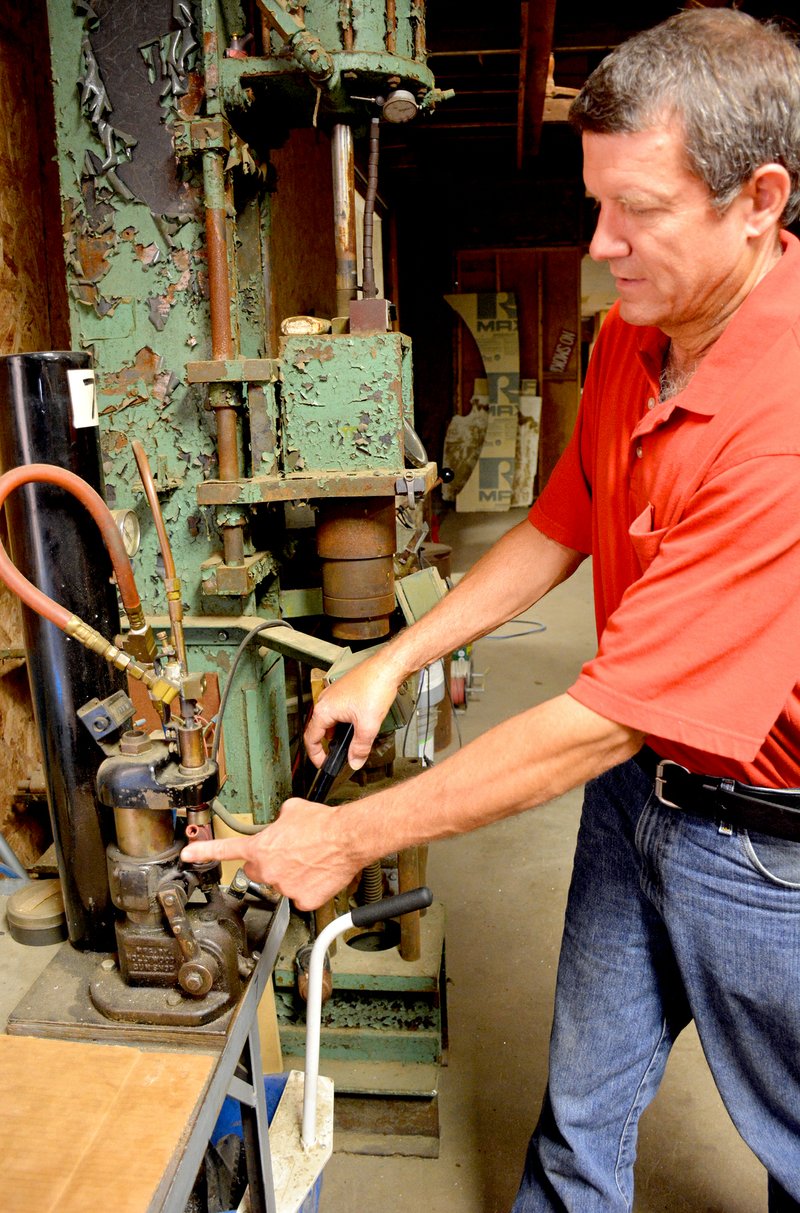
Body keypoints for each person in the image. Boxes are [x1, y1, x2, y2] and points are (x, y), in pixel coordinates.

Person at [182, 9, 800, 1209]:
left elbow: (601, 716)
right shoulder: (638, 330)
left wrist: (346, 836)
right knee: (576, 1125)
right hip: (643, 796)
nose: (602, 242)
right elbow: (559, 524)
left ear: (757, 198)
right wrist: (393, 658)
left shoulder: (781, 422)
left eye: (640, 211)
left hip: (766, 847)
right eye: (594, 201)